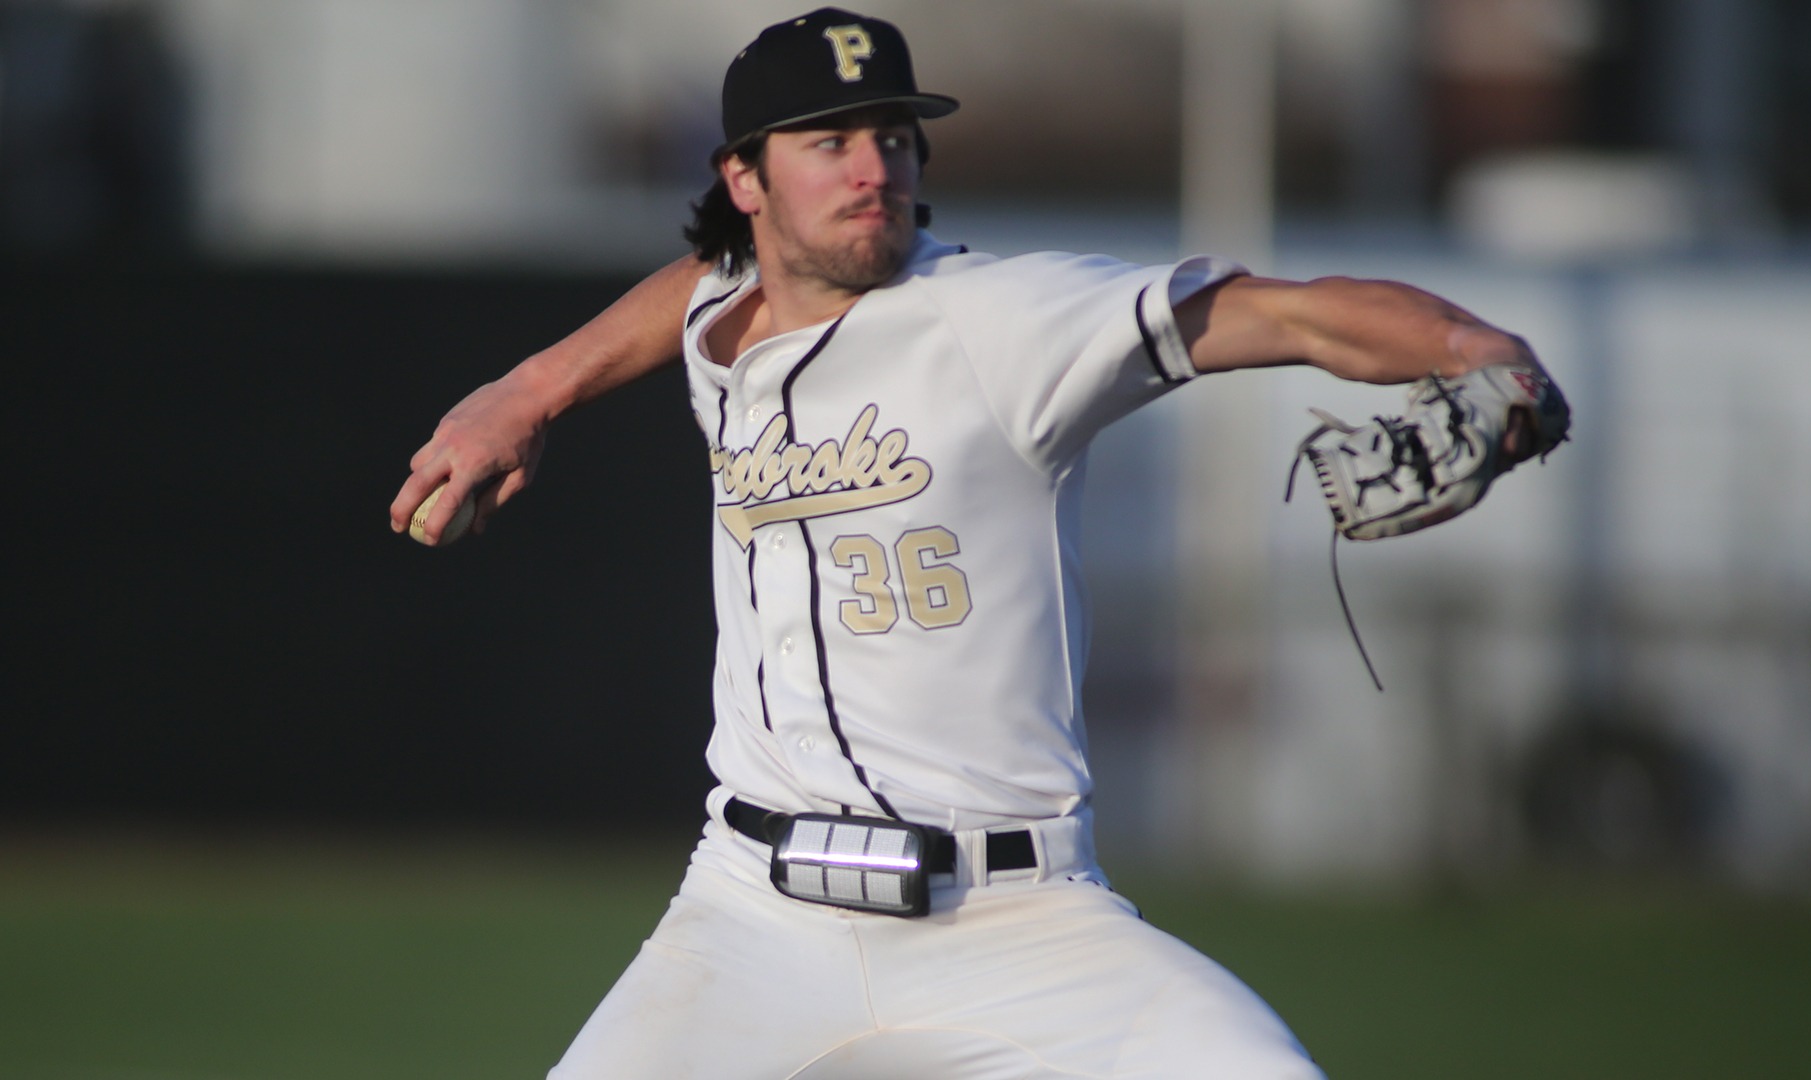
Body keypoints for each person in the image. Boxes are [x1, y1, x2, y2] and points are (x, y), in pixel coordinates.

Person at [391, 9, 1549, 1078]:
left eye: (893, 137)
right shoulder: (723, 322)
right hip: (751, 914)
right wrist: (526, 391)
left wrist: (1481, 352)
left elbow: (1286, 312)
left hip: (1018, 919)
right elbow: (703, 286)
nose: (870, 168)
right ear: (743, 177)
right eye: (827, 140)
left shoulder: (1010, 321)